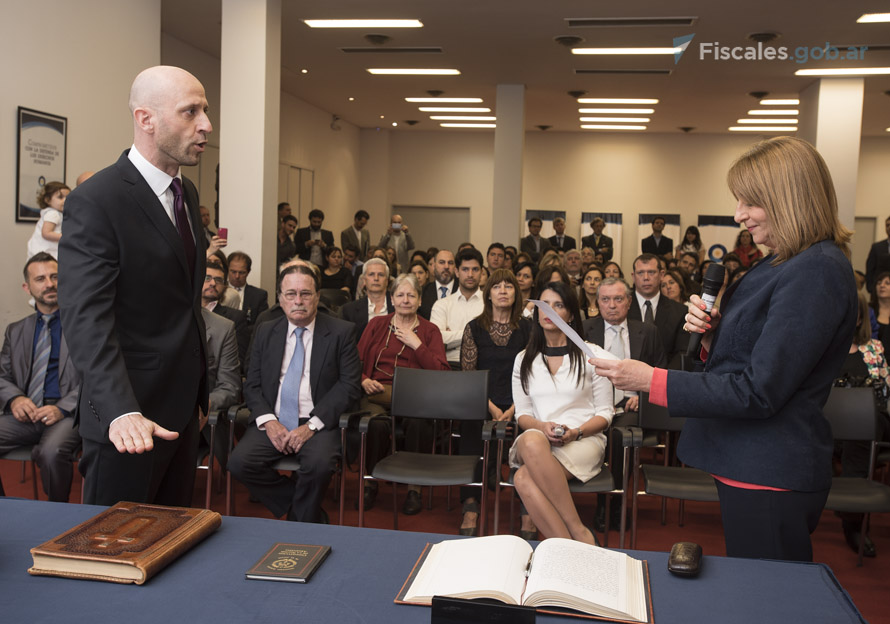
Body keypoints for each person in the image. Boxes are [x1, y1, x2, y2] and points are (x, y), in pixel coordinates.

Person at [592, 136, 857, 562]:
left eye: (751, 202)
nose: (739, 215)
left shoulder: (816, 271)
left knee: (766, 591)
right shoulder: (784, 262)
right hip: (748, 459)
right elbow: (759, 355)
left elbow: (759, 390)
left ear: (789, 198)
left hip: (770, 465)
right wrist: (714, 336)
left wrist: (651, 380)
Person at [58, 65, 211, 506]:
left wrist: (197, 394)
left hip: (183, 411)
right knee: (115, 541)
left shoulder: (186, 193)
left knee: (175, 538)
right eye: (191, 111)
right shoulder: (97, 200)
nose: (206, 124)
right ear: (146, 119)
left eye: (205, 110)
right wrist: (121, 411)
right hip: (128, 419)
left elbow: (181, 303)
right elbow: (86, 318)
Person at [228, 264, 361, 523]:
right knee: (239, 463)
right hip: (275, 419)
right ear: (280, 298)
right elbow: (251, 383)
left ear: (317, 297)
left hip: (318, 422)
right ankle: (306, 512)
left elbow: (349, 385)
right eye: (290, 294)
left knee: (319, 466)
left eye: (305, 294)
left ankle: (299, 523)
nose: (298, 301)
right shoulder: (265, 331)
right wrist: (269, 421)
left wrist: (311, 426)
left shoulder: (341, 332)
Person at [510, 281, 615, 544]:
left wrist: (576, 432)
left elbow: (605, 414)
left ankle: (567, 544)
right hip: (538, 441)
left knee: (523, 477)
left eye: (558, 305)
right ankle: (579, 533)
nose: (549, 311)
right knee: (532, 439)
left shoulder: (592, 355)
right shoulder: (524, 359)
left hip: (583, 440)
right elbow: (522, 415)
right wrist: (542, 426)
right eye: (544, 305)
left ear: (570, 314)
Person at [356, 274, 449, 513]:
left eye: (411, 295)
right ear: (392, 299)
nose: (405, 300)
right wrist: (364, 379)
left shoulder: (430, 331)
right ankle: (370, 482)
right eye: (400, 295)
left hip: (415, 397)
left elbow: (442, 373)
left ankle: (414, 488)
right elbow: (354, 362)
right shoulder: (376, 325)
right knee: (374, 423)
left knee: (419, 423)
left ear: (420, 300)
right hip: (377, 392)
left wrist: (417, 344)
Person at [583, 277, 666, 533]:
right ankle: (603, 502)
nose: (612, 305)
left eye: (618, 299)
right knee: (597, 431)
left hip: (631, 405)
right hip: (593, 405)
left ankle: (615, 503)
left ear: (629, 302)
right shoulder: (585, 330)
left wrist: (642, 396)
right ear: (597, 302)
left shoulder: (648, 331)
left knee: (619, 436)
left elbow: (661, 372)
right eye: (605, 299)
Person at [0, 253, 81, 501]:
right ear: (27, 287)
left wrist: (61, 408)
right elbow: (2, 375)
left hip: (68, 414)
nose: (49, 284)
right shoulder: (15, 331)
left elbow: (95, 376)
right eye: (40, 279)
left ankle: (59, 512)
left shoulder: (83, 326)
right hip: (26, 413)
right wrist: (15, 399)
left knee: (51, 453)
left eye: (55, 277)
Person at [458, 269, 532, 535]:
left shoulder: (529, 328)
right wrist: (489, 406)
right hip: (482, 400)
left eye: (508, 286)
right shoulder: (474, 327)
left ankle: (528, 509)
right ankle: (470, 504)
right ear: (488, 294)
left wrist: (514, 408)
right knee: (469, 426)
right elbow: (469, 375)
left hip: (519, 401)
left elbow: (533, 374)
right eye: (497, 286)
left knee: (531, 433)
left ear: (516, 293)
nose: (503, 290)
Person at [835, 291, 890, 557]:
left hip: (869, 426)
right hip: (829, 426)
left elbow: (885, 392)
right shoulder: (821, 350)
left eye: (852, 314)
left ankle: (852, 521)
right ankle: (847, 511)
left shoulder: (874, 349)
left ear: (859, 319)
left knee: (864, 423)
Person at [627, 253, 687, 367]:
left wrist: (662, 376)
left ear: (661, 275)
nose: (646, 278)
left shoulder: (679, 312)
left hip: (666, 374)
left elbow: (682, 354)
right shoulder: (621, 308)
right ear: (633, 276)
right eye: (640, 273)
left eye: (651, 272)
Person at [430, 248, 485, 367]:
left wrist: (452, 338)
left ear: (481, 272)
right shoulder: (442, 305)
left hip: (483, 364)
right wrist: (476, 333)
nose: (470, 274)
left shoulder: (490, 304)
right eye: (465, 269)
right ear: (456, 272)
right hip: (450, 365)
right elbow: (436, 340)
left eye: (475, 269)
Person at [202, 261, 250, 372]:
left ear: (224, 286)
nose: (213, 283)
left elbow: (239, 362)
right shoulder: (184, 313)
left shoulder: (235, 318)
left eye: (218, 280)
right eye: (207, 278)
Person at [341, 258, 394, 340]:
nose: (376, 278)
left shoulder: (399, 307)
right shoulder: (349, 310)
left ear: (387, 281)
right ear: (364, 280)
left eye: (381, 275)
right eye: (371, 274)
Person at [27, 182, 70, 261]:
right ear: (47, 200)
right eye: (60, 197)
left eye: (67, 198)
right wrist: (67, 237)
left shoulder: (55, 213)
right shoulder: (53, 213)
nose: (65, 200)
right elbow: (46, 233)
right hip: (44, 251)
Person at [227, 251, 269, 328]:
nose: (237, 276)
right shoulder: (219, 291)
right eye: (233, 272)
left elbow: (262, 324)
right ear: (227, 270)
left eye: (241, 273)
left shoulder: (259, 295)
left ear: (248, 272)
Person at [419, 249, 457, 319]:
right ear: (434, 266)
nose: (446, 266)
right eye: (442, 262)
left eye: (450, 263)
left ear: (455, 267)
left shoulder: (463, 291)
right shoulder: (423, 292)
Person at [865, 215, 890, 292]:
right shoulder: (877, 247)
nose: (889, 227)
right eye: (887, 225)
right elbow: (870, 269)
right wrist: (871, 289)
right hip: (879, 290)